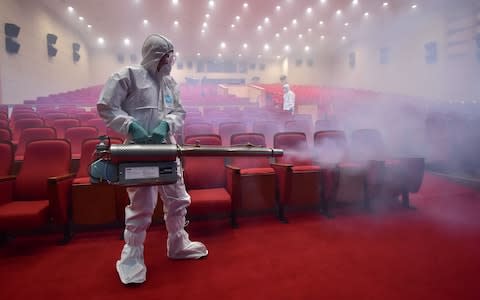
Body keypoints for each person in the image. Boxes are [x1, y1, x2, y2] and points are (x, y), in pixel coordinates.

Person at [97, 34, 208, 285]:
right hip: (138, 150)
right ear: (156, 56)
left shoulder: (170, 84)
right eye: (167, 56)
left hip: (167, 148)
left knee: (178, 198)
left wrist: (167, 125)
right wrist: (130, 126)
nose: (171, 61)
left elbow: (179, 111)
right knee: (142, 206)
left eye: (172, 55)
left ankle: (178, 243)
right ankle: (132, 256)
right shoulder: (127, 76)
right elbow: (106, 106)